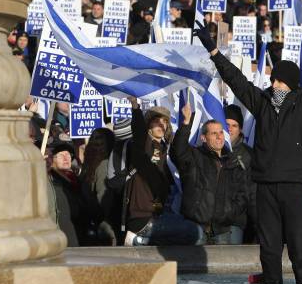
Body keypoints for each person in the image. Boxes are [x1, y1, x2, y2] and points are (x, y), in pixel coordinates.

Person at [192, 20, 302, 284]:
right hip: (266, 185)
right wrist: (213, 51)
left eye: (280, 81)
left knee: (299, 247)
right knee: (269, 248)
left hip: (295, 185)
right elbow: (235, 79)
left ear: (291, 84)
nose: (275, 84)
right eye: (274, 79)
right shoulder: (262, 102)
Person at [124, 98, 202, 246]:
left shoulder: (165, 151)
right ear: (148, 125)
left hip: (160, 214)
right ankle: (138, 239)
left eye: (165, 121)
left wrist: (186, 123)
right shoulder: (143, 147)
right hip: (143, 217)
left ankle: (139, 241)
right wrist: (135, 106)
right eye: (156, 121)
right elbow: (139, 131)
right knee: (195, 232)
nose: (161, 124)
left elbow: (179, 148)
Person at [171, 103, 250, 244]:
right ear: (203, 138)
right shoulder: (194, 156)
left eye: (221, 132)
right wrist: (186, 123)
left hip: (223, 229)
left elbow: (243, 195)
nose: (220, 137)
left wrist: (228, 214)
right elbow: (178, 151)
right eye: (214, 133)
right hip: (196, 228)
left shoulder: (233, 161)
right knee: (193, 265)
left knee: (223, 266)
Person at [224, 104, 258, 243]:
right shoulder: (209, 150)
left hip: (235, 221)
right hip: (209, 220)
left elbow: (252, 192)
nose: (230, 129)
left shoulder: (249, 155)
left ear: (241, 129)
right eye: (227, 124)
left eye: (234, 125)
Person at [79, 128, 117, 246]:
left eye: (100, 143)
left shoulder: (103, 165)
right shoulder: (89, 166)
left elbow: (104, 199)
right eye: (93, 142)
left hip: (101, 226)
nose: (96, 146)